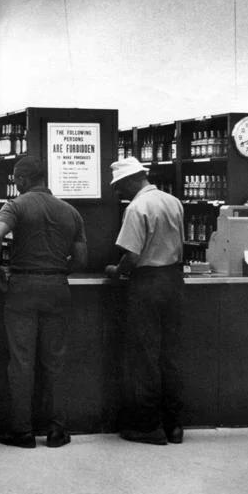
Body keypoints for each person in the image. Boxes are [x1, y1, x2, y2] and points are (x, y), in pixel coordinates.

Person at [0, 156, 87, 449]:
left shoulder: (16, 206)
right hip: (57, 288)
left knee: (21, 362)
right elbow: (81, 259)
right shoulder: (71, 212)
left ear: (20, 179)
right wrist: (56, 272)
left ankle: (22, 432)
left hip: (22, 287)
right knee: (55, 362)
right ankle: (56, 431)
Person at [104, 156, 185, 446]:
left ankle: (148, 426)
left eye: (119, 186)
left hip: (147, 284)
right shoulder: (173, 201)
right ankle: (175, 425)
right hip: (174, 282)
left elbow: (132, 255)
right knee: (171, 355)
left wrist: (116, 271)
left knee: (145, 356)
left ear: (130, 180)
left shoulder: (137, 207)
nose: (118, 193)